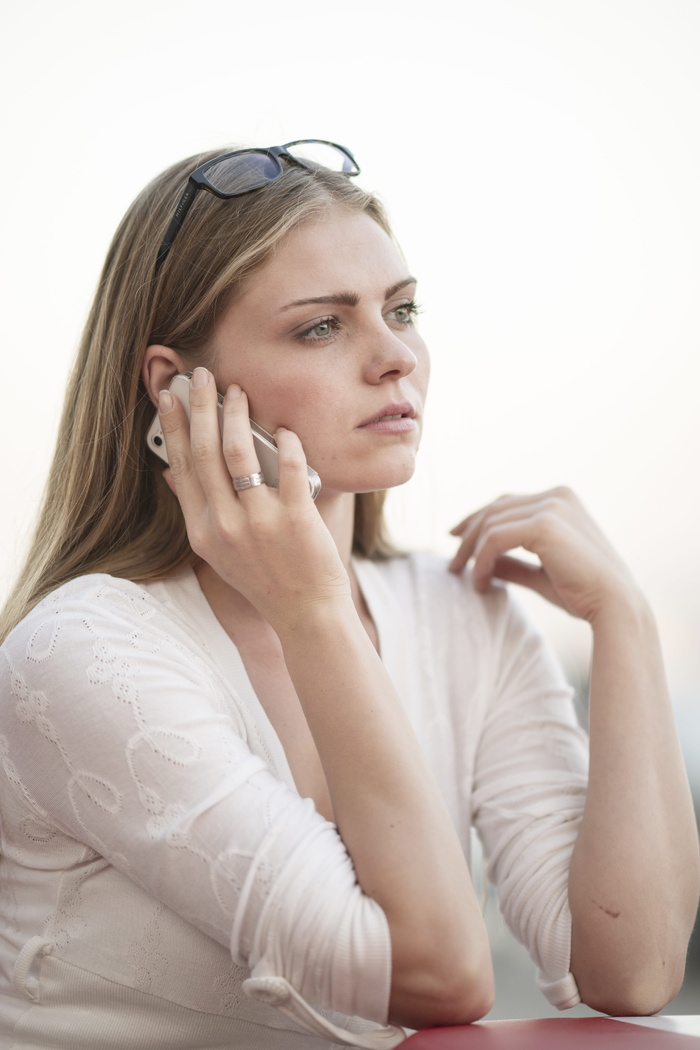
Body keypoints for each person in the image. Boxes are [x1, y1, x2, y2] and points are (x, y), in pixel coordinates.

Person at [0, 140, 697, 1050]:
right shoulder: (85, 651)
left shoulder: (463, 617)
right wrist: (313, 608)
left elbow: (632, 971)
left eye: (402, 310)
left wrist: (625, 623)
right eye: (321, 327)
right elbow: (440, 978)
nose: (395, 357)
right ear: (177, 389)